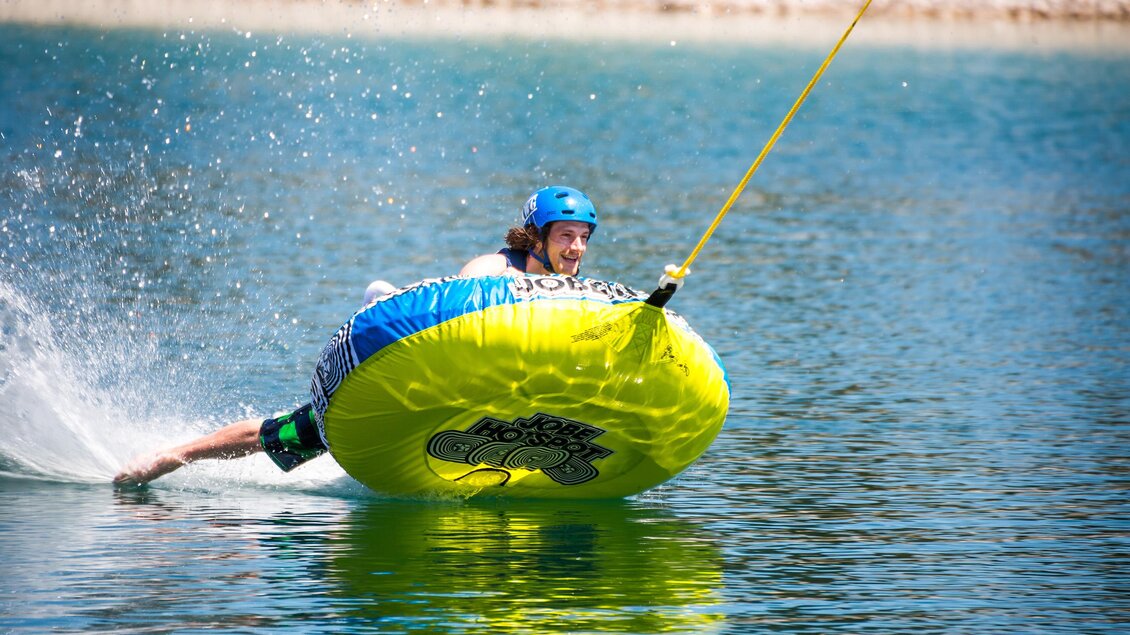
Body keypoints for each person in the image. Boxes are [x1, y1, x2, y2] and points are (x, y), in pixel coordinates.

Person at [113, 185, 599, 486]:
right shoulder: (496, 267)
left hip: (483, 400)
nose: (576, 248)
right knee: (292, 433)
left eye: (583, 238)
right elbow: (472, 291)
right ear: (535, 236)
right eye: (565, 236)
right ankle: (173, 455)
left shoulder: (575, 288)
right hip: (422, 381)